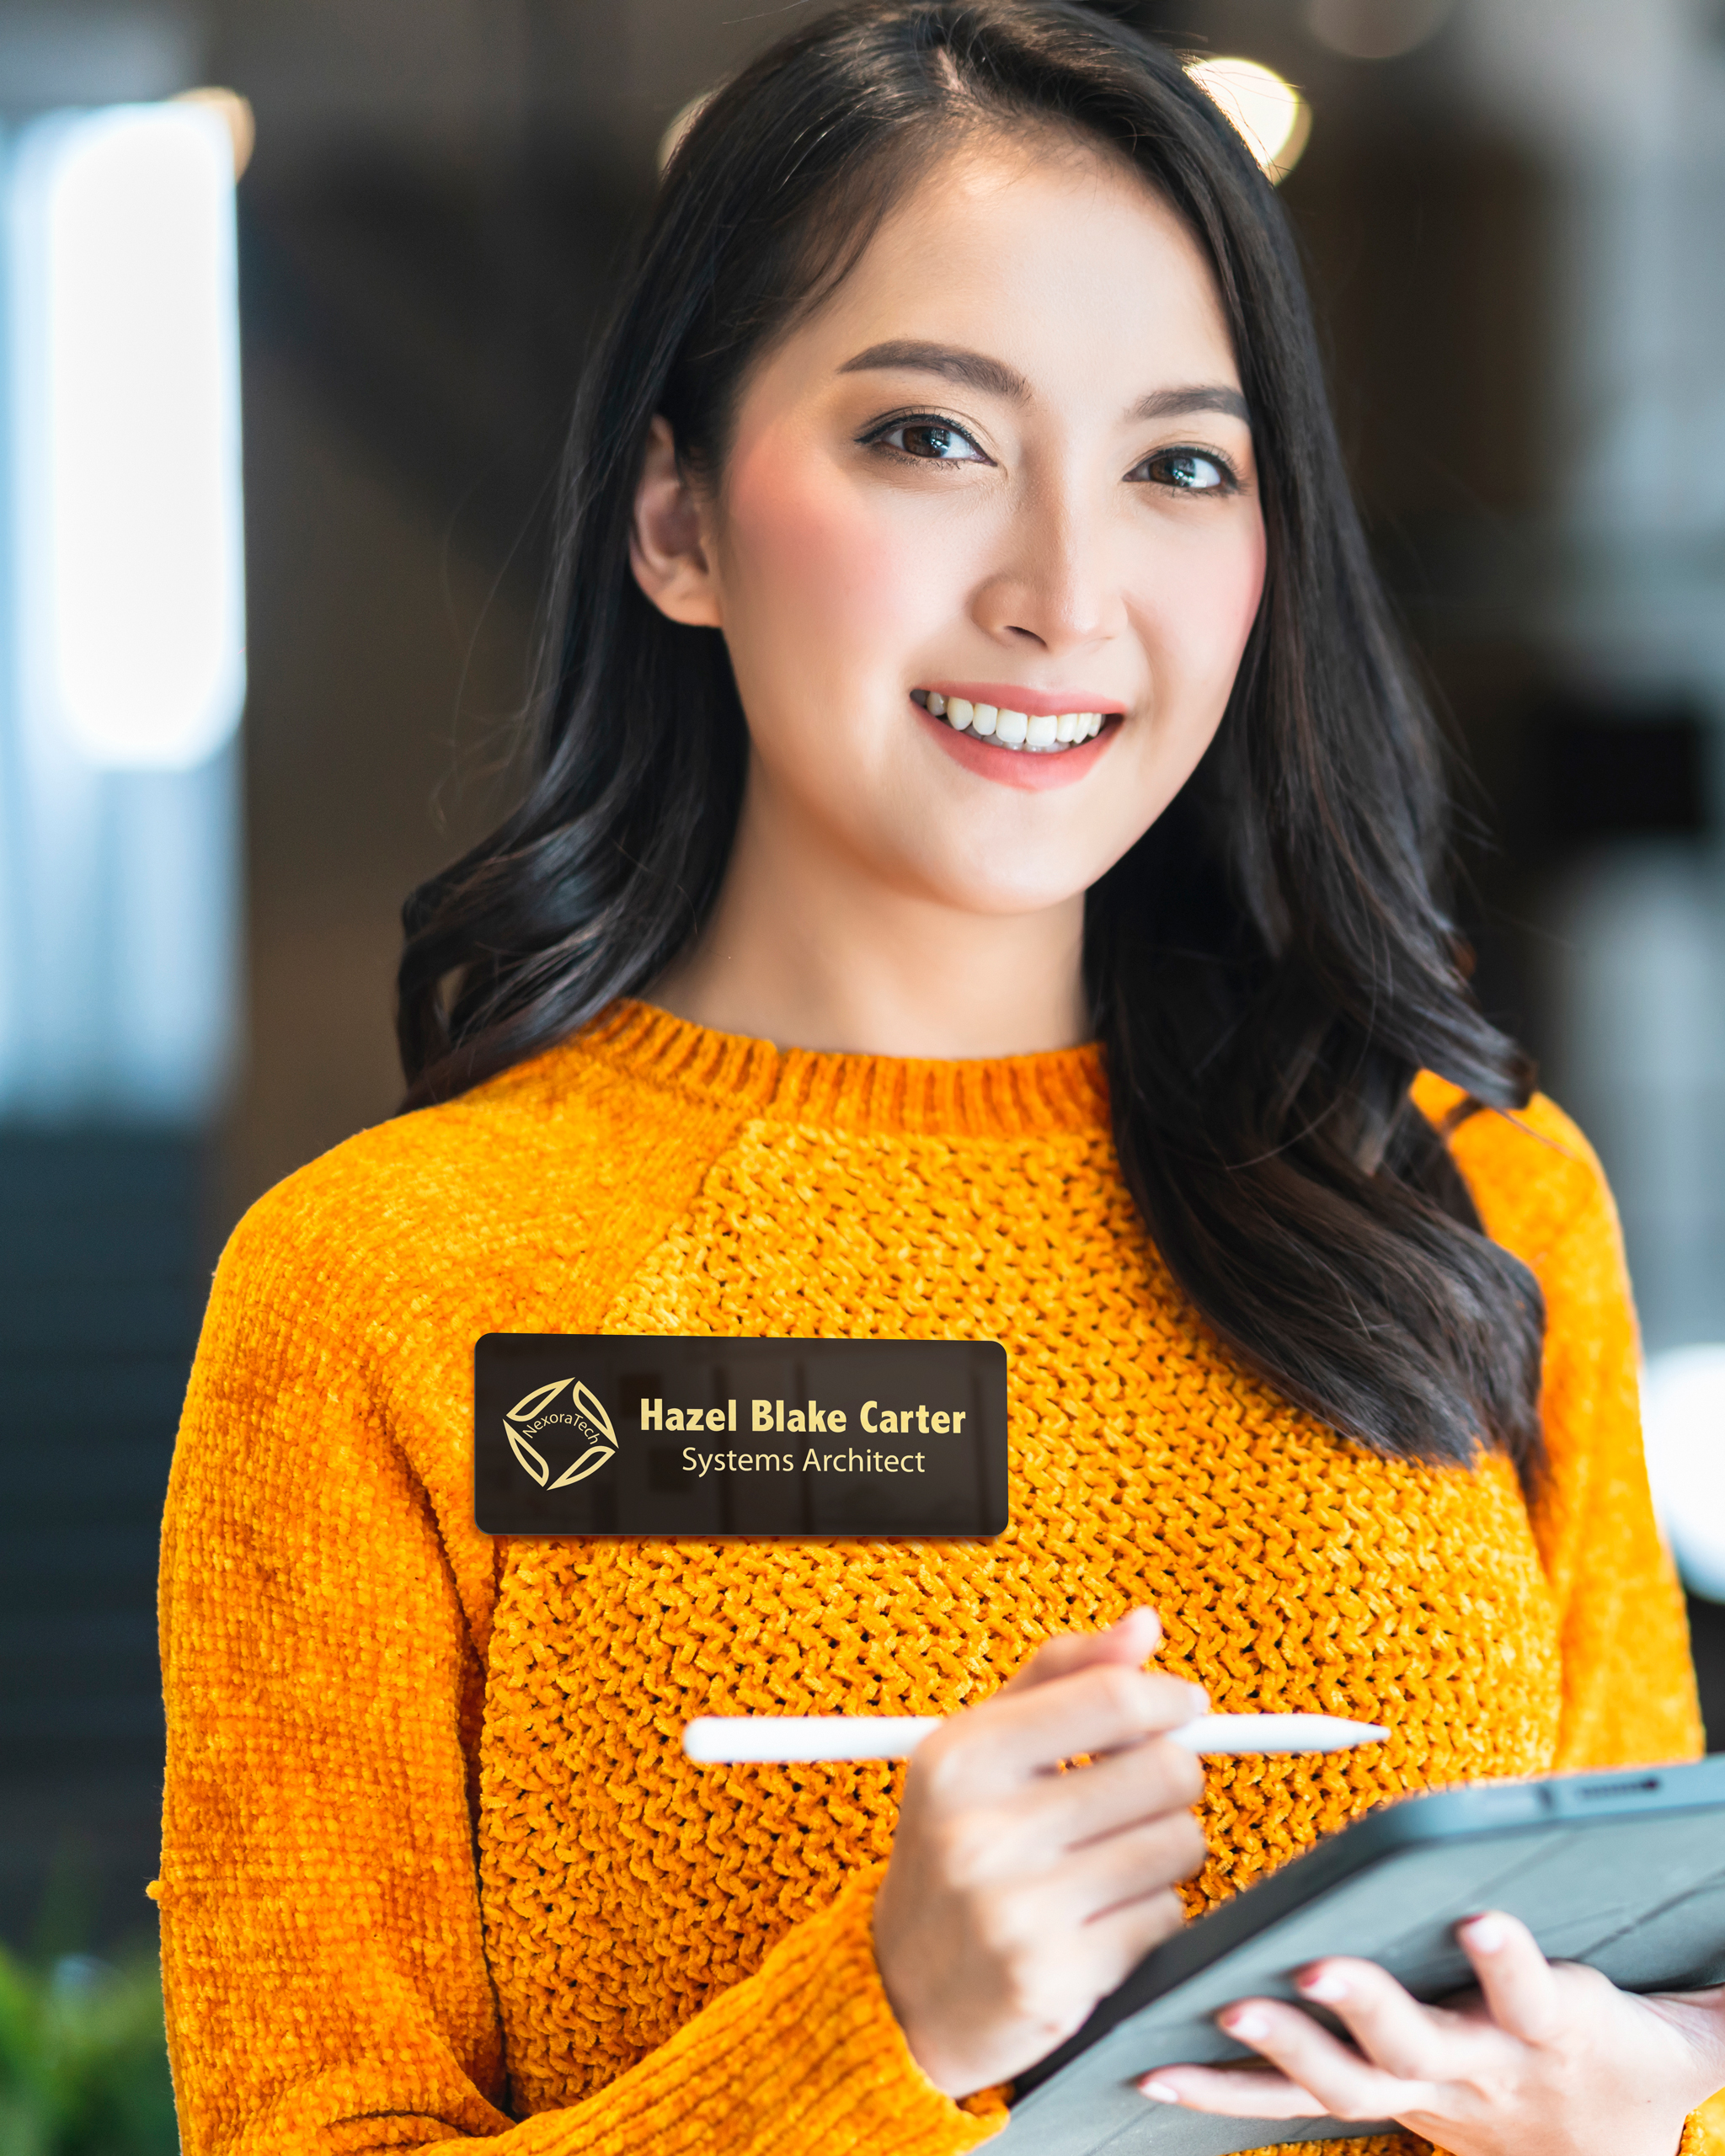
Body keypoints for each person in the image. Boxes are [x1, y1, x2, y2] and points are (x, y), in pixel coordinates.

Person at [155, 3, 1725, 2151]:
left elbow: (1655, 2001)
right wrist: (877, 2022)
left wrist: (1631, 2112)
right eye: (928, 437)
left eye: (1181, 464)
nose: (1064, 592)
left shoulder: (1469, 1193)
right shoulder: (387, 1292)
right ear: (677, 520)